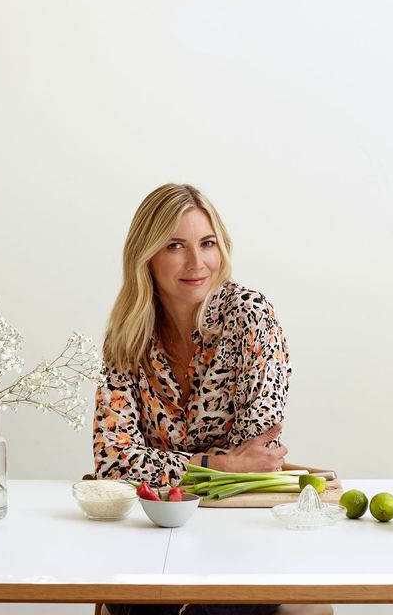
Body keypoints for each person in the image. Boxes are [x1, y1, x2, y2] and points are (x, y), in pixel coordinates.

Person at [92, 184, 330, 615]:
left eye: (207, 243)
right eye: (175, 246)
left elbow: (257, 461)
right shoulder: (126, 336)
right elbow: (114, 463)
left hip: (240, 532)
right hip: (153, 530)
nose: (196, 262)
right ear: (146, 256)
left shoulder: (252, 318)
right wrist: (215, 464)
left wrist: (174, 469)